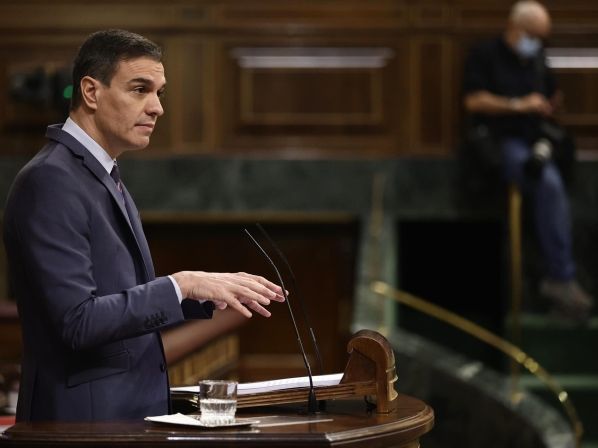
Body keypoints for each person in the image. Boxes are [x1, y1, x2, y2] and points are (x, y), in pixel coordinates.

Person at [2, 29, 285, 422]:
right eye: (140, 90)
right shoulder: (50, 180)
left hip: (121, 417)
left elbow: (118, 296)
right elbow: (76, 322)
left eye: (159, 92)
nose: (157, 108)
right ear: (91, 92)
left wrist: (205, 291)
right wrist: (181, 285)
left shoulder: (100, 174)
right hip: (81, 425)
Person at [462, 1, 593, 322]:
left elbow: (551, 96)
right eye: (533, 36)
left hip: (537, 139)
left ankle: (561, 277)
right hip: (501, 141)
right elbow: (473, 101)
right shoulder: (485, 55)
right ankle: (560, 278)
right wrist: (519, 105)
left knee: (556, 173)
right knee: (547, 183)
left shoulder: (537, 59)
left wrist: (549, 106)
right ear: (516, 28)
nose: (537, 43)